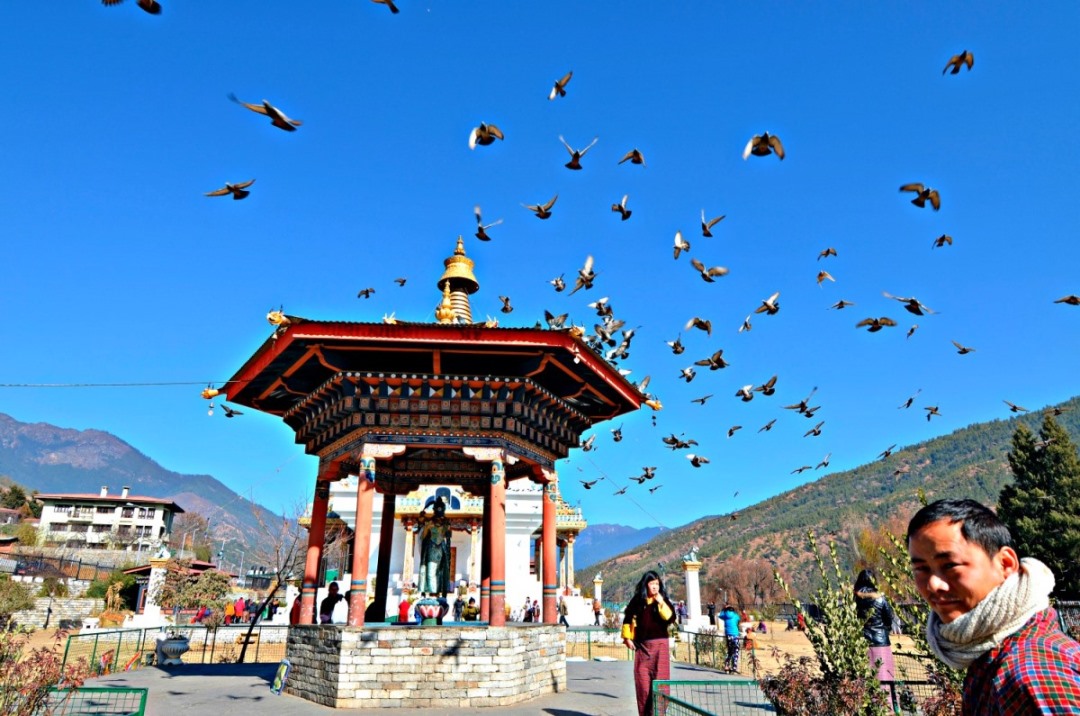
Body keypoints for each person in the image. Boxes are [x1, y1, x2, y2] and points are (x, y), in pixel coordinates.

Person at [907, 498, 1080, 714]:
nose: (933, 585)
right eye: (921, 569)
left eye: (950, 565)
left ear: (1005, 563)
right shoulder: (995, 654)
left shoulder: (1032, 675)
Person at [622, 570, 677, 716]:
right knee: (642, 684)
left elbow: (670, 618)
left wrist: (661, 603)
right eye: (652, 583)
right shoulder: (637, 600)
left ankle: (658, 714)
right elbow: (627, 617)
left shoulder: (662, 599)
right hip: (642, 648)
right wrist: (627, 638)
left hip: (660, 647)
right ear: (646, 584)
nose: (655, 587)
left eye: (657, 584)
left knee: (661, 684)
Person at [854, 568, 897, 684]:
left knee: (864, 677)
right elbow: (888, 619)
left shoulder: (854, 599)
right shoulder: (880, 598)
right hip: (881, 640)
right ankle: (886, 701)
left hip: (861, 641)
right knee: (884, 676)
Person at [418, 497, 452, 596]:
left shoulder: (446, 523)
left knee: (440, 571)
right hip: (431, 547)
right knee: (430, 572)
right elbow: (423, 532)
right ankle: (431, 593)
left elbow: (448, 536)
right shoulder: (429, 523)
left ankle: (439, 592)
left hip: (441, 548)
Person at [718, 604, 742, 673]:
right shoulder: (735, 615)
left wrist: (724, 609)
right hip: (735, 635)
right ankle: (734, 667)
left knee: (730, 651)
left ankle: (726, 665)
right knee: (736, 650)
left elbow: (720, 615)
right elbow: (738, 619)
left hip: (728, 635)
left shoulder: (724, 615)